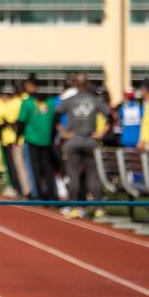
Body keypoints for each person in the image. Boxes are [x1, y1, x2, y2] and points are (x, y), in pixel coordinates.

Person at [52, 73, 110, 219]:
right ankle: (98, 208)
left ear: (75, 84)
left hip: (73, 141)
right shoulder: (94, 100)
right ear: (88, 84)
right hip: (90, 140)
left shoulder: (69, 100)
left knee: (73, 175)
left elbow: (55, 116)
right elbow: (110, 115)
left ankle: (74, 207)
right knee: (93, 176)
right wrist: (101, 133)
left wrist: (64, 133)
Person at [18, 78, 56, 201]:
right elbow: (55, 120)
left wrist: (18, 136)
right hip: (47, 140)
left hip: (32, 139)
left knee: (34, 168)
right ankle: (51, 195)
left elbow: (22, 122)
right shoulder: (50, 102)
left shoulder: (27, 102)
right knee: (48, 168)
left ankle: (38, 195)